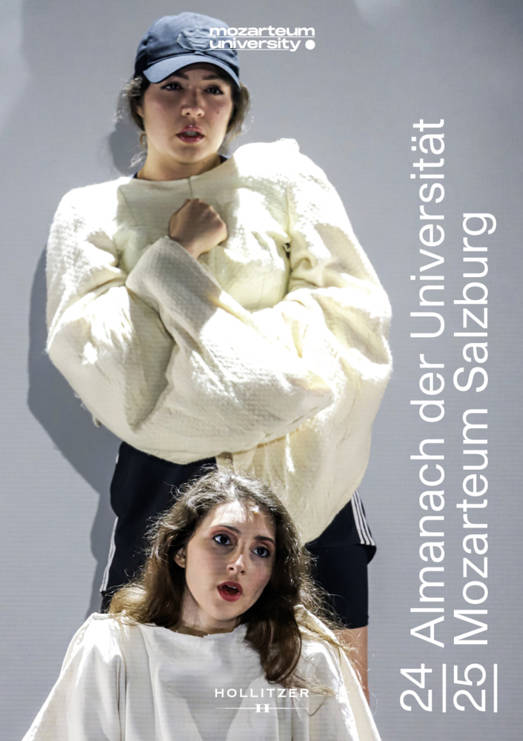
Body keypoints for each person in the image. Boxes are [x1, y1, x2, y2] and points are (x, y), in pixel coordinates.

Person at [45, 12, 391, 697]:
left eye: (214, 90)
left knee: (331, 698)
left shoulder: (286, 182)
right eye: (171, 88)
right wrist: (176, 254)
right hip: (167, 479)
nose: (193, 108)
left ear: (235, 105)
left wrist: (166, 296)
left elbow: (351, 327)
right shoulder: (89, 214)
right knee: (141, 694)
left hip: (310, 473)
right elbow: (108, 362)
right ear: (137, 101)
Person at [23, 470, 380, 740]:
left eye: (261, 551)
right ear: (180, 551)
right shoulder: (111, 649)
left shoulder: (303, 659)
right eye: (223, 540)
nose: (240, 563)